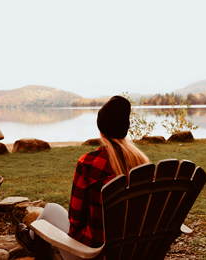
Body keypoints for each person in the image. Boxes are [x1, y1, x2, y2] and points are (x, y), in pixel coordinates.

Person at [15, 95, 150, 260]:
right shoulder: (142, 164)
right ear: (125, 128)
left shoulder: (89, 163)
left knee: (50, 210)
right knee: (52, 210)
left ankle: (30, 239)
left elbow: (75, 223)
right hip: (134, 250)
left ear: (101, 130)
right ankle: (30, 237)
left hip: (92, 254)